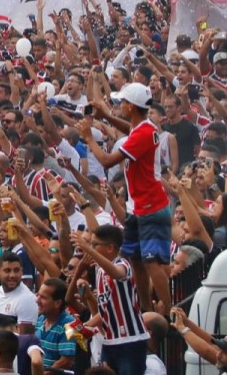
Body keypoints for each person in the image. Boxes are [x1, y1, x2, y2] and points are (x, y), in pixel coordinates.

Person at [76, 82, 172, 313]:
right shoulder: (144, 127)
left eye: (123, 103)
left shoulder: (144, 133)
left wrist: (89, 138)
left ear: (131, 107)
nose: (120, 106)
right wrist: (107, 116)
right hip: (139, 205)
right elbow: (130, 130)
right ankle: (146, 309)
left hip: (151, 205)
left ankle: (169, 311)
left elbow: (108, 160)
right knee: (136, 260)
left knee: (150, 261)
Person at [72, 225, 148, 375]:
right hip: (109, 342)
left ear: (110, 248)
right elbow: (105, 309)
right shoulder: (99, 271)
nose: (90, 248)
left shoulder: (122, 264)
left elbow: (117, 274)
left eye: (95, 245)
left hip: (130, 341)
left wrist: (88, 249)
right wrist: (84, 326)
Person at [33, 278, 76, 372]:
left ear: (58, 303)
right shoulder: (40, 320)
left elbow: (66, 361)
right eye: (38, 295)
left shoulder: (69, 325)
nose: (37, 300)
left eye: (43, 297)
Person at [0, 254, 36, 334]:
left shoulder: (27, 299)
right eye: (7, 271)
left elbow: (25, 338)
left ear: (22, 272)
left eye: (16, 270)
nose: (12, 275)